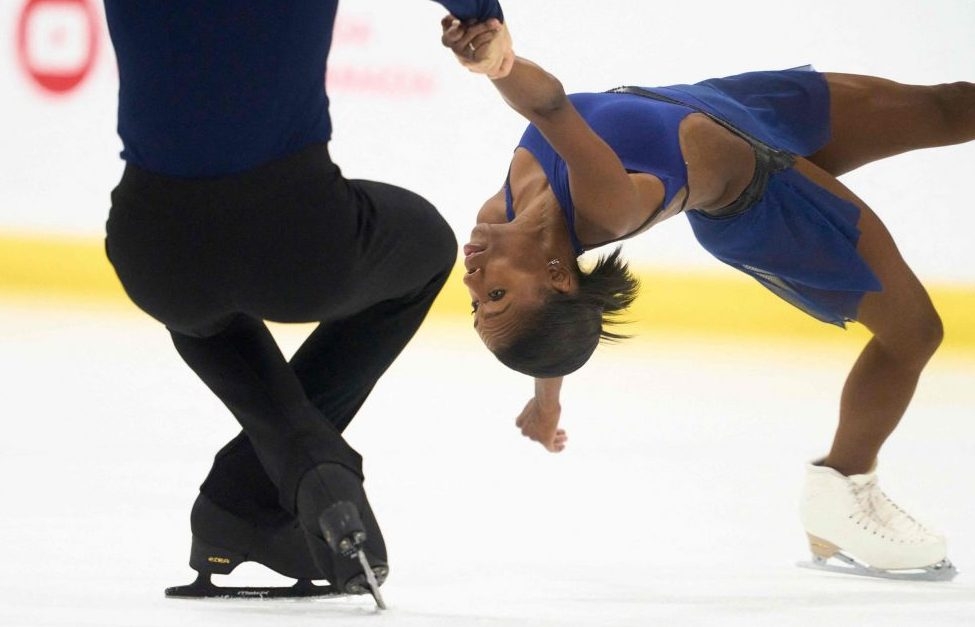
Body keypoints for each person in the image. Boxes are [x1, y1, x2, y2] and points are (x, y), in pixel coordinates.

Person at [441, 18, 974, 580]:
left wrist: (547, 400)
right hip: (766, 200)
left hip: (726, 106)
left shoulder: (496, 216)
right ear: (557, 274)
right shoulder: (607, 208)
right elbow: (549, 109)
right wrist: (499, 62)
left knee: (953, 107)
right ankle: (841, 489)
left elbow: (553, 325)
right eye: (493, 294)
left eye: (479, 304)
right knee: (916, 333)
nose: (472, 284)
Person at [102, 1, 512, 607]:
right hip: (298, 240)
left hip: (151, 243)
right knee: (425, 246)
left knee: (201, 304)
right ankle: (256, 494)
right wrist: (482, 18)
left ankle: (279, 481)